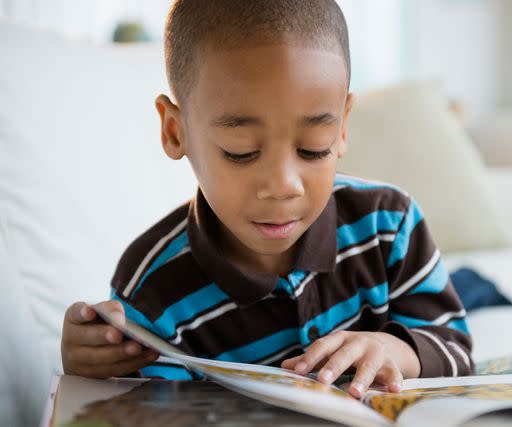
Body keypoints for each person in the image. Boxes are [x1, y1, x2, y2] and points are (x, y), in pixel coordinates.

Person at [61, 0, 473, 398]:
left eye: (313, 147)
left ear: (343, 126)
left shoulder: (390, 225)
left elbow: (456, 351)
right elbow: (152, 408)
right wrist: (97, 367)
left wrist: (394, 351)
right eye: (241, 151)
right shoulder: (152, 294)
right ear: (174, 131)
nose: (283, 185)